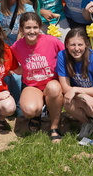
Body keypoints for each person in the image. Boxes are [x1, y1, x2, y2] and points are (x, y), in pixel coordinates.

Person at [10, 12, 65, 142]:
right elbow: (12, 66)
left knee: (53, 88)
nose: (32, 31)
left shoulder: (51, 41)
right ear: (21, 29)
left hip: (51, 83)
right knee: (29, 110)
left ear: (40, 27)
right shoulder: (16, 47)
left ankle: (54, 127)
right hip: (32, 85)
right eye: (28, 28)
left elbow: (65, 57)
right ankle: (37, 114)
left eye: (35, 27)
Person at [0, 0, 35, 112]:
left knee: (18, 76)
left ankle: (21, 109)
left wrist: (17, 50)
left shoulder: (27, 7)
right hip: (2, 47)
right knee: (6, 74)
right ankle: (7, 104)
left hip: (21, 46)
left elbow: (29, 31)